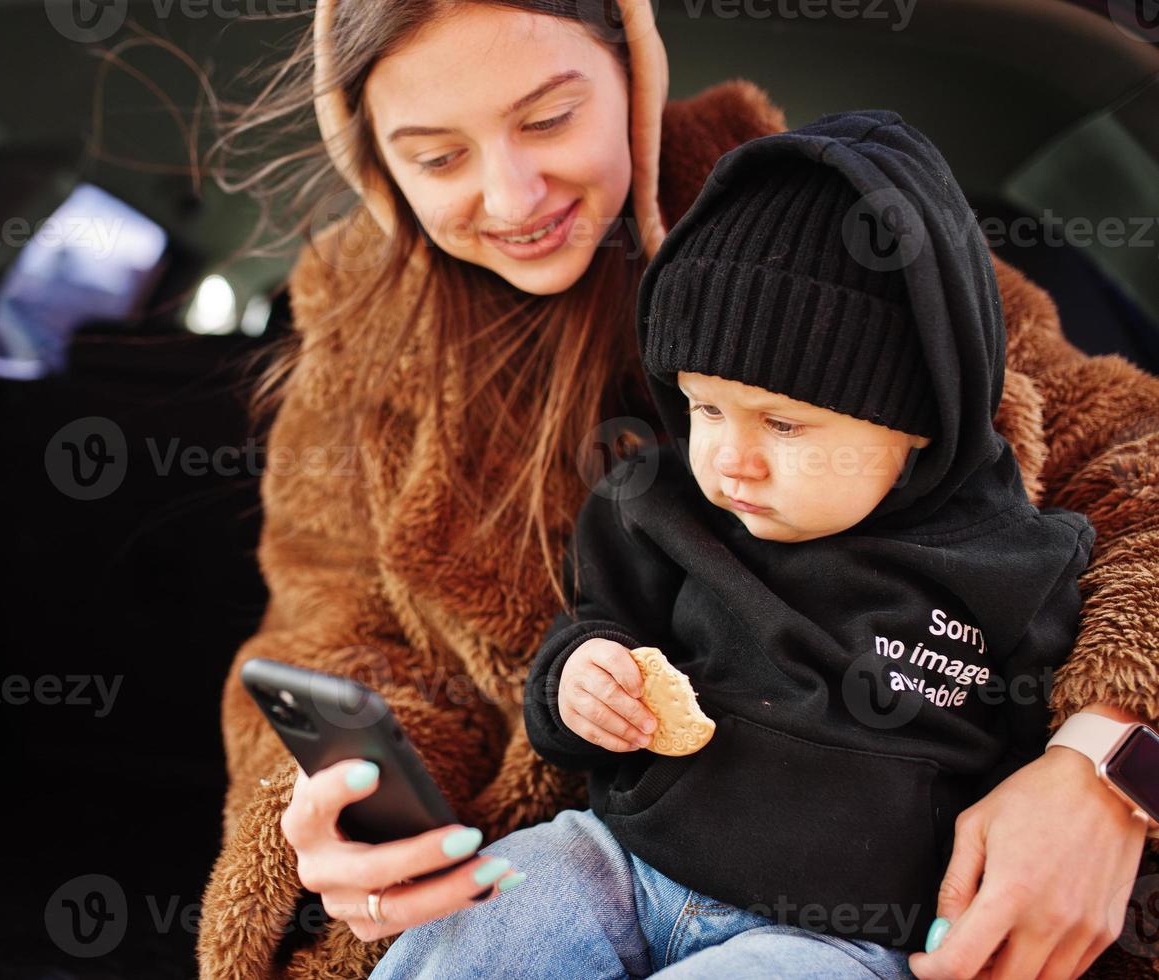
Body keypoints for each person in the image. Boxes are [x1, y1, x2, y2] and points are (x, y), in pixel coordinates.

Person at [194, 3, 1159, 978]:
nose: (512, 191)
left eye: (547, 119)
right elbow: (330, 630)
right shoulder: (363, 348)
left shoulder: (859, 244)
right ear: (378, 166)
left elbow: (1139, 475)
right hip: (548, 875)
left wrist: (1108, 764)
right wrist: (337, 806)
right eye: (437, 157)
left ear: (635, 71)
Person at [367, 111, 1099, 979]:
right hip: (619, 862)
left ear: (918, 426)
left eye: (784, 425)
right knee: (487, 917)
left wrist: (1090, 774)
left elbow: (1050, 744)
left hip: (837, 937)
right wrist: (579, 684)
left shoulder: (1012, 566)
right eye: (704, 407)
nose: (730, 458)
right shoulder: (662, 505)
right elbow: (596, 624)